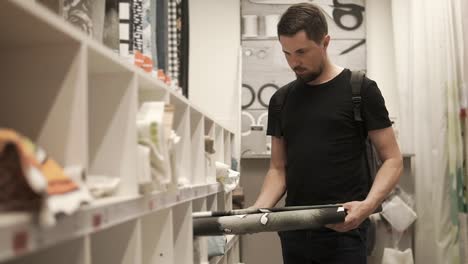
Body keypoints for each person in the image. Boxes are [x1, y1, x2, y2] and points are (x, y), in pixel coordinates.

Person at [251, 3, 403, 264]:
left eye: (301, 52)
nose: (293, 62)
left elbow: (393, 159)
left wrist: (366, 207)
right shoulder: (281, 99)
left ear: (325, 42)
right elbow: (278, 169)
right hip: (294, 231)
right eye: (287, 53)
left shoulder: (360, 89)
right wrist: (255, 212)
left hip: (344, 232)